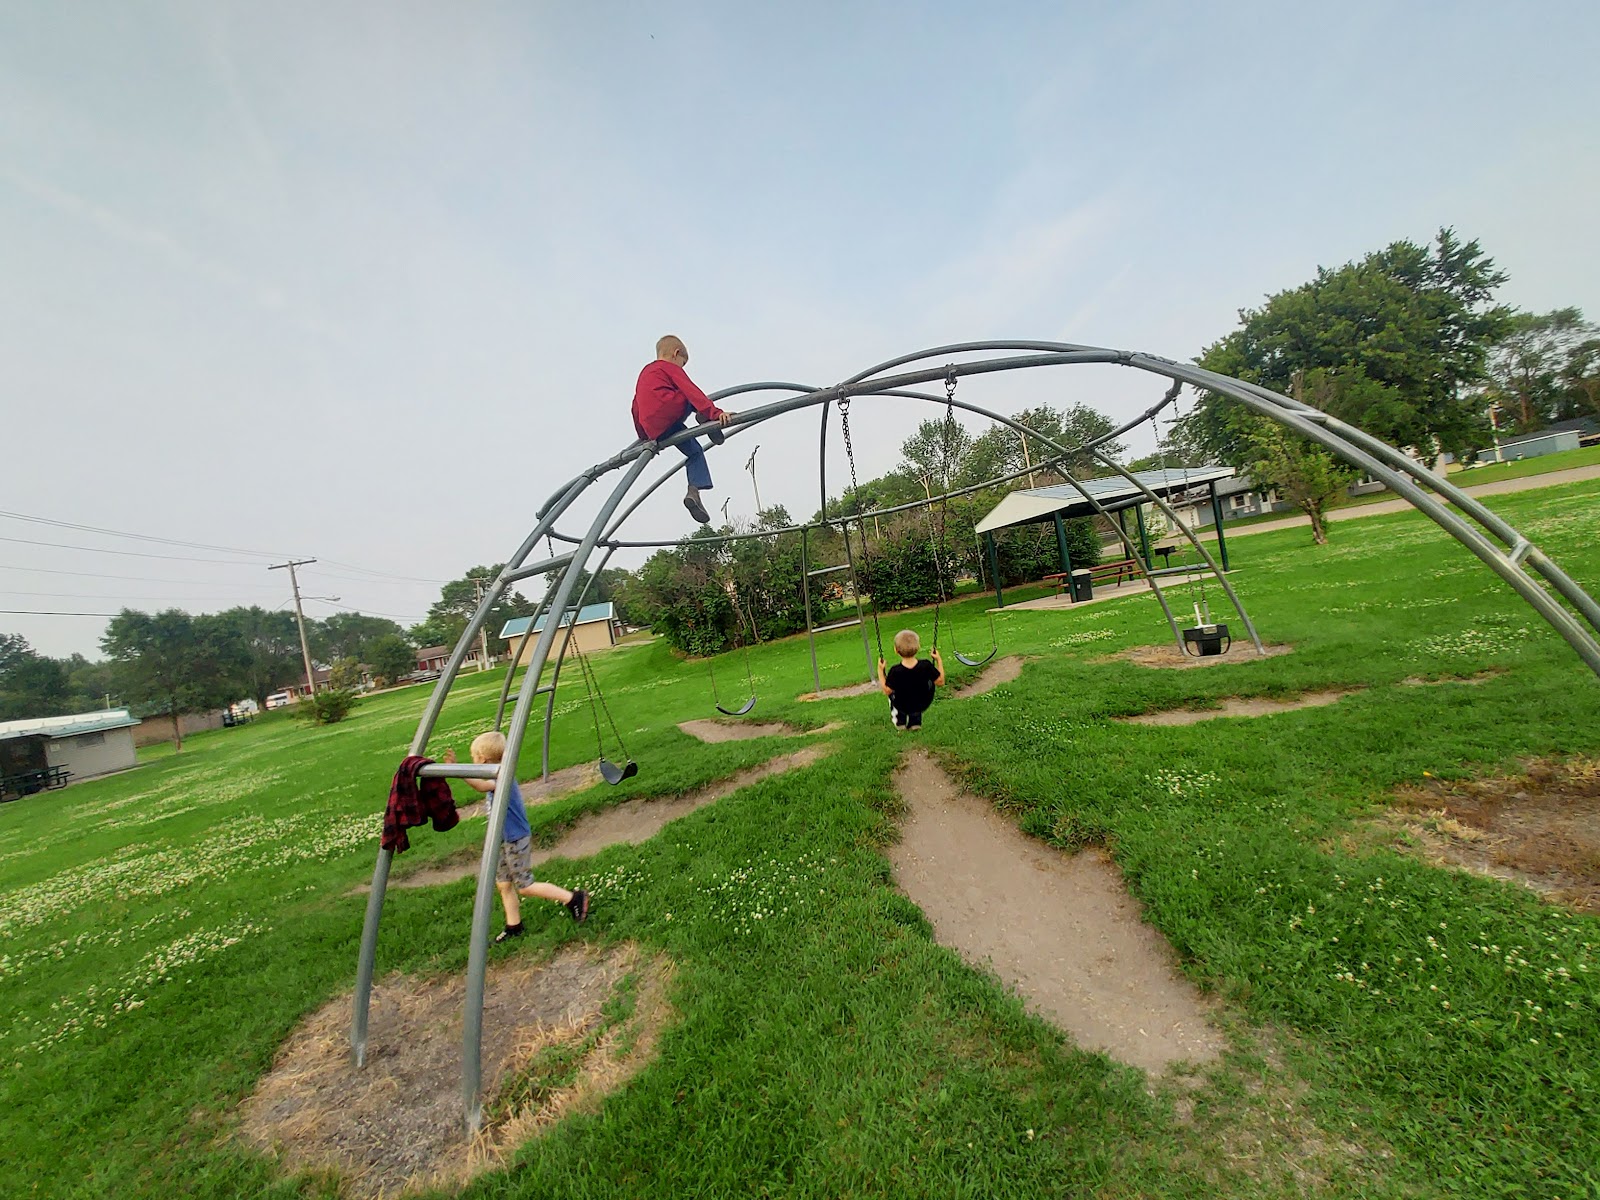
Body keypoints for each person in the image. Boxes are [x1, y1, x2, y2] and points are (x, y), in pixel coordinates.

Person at [442, 731, 589, 941]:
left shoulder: (502, 776)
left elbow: (480, 786)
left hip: (515, 838)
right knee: (503, 884)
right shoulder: (496, 773)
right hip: (501, 839)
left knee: (525, 886)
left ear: (482, 759)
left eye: (474, 756)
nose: (473, 760)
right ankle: (514, 925)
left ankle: (573, 898)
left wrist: (457, 770)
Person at [632, 334, 736, 524]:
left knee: (695, 450)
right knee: (688, 394)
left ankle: (693, 492)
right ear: (676, 353)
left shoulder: (644, 374)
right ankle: (706, 418)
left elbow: (635, 407)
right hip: (668, 411)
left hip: (658, 428)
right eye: (683, 363)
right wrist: (716, 412)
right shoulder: (667, 367)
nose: (682, 367)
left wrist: (646, 437)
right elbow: (691, 390)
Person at [877, 629, 945, 731]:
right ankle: (915, 722)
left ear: (896, 650)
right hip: (923, 702)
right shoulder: (926, 665)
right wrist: (939, 660)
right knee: (918, 688)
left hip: (902, 705)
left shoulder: (895, 671)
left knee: (893, 692)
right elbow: (941, 682)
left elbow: (887, 691)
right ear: (918, 647)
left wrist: (880, 671)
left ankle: (900, 721)